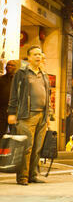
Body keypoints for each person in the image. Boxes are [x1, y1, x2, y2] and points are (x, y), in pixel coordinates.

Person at [7, 45, 50, 185]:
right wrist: (12, 113)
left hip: (42, 116)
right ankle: (22, 177)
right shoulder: (22, 73)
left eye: (40, 54)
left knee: (37, 147)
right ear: (29, 57)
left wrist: (48, 115)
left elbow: (48, 96)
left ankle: (32, 175)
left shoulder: (43, 74)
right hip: (26, 116)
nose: (38, 57)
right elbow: (14, 93)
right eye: (35, 54)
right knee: (26, 147)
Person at [0, 60, 17, 138]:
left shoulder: (19, 81)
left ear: (15, 68)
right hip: (2, 111)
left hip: (14, 112)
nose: (9, 66)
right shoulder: (1, 79)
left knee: (15, 135)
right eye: (8, 65)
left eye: (12, 65)